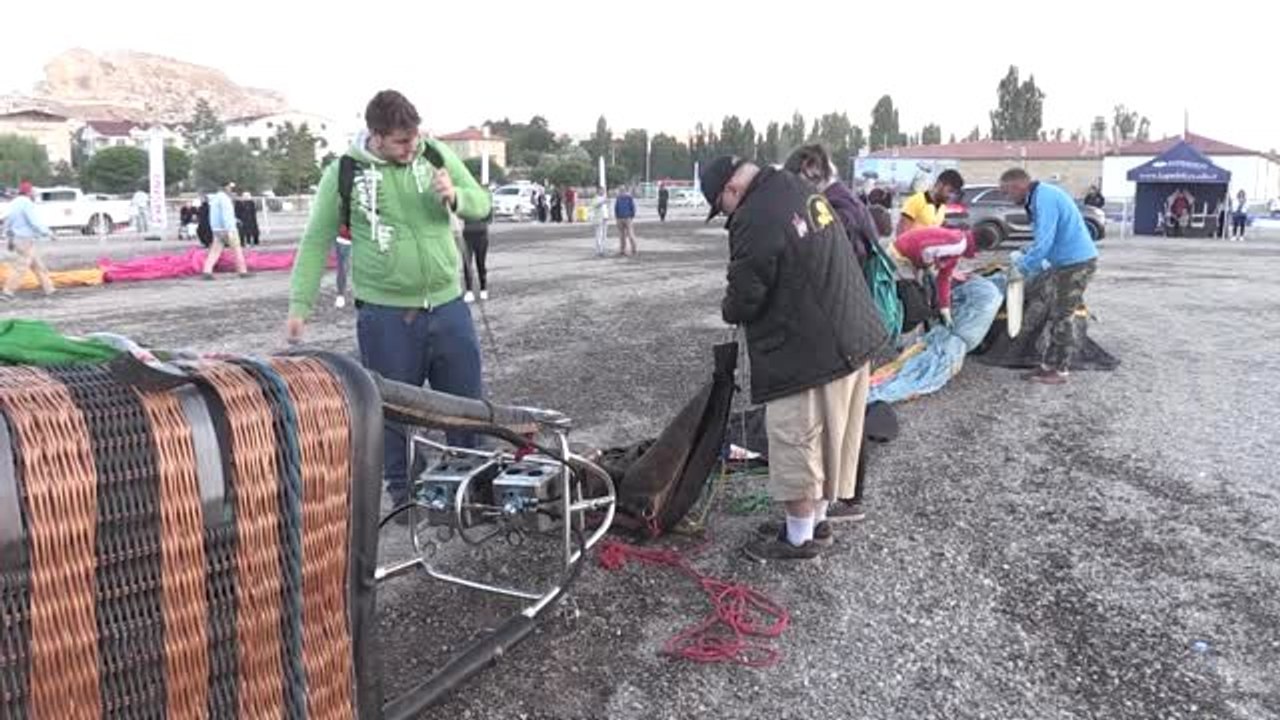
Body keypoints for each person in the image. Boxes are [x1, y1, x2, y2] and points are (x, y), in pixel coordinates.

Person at [286, 90, 491, 507]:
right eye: (401, 141)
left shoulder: (434, 155)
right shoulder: (343, 173)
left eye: (414, 137)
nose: (411, 147)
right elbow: (316, 241)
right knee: (394, 413)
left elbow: (481, 204)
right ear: (376, 136)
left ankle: (473, 487)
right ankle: (405, 494)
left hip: (449, 305)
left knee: (467, 405)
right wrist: (299, 307)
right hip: (386, 316)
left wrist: (456, 195)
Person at [701, 155, 887, 561]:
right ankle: (814, 523)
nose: (726, 215)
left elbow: (746, 293)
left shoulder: (756, 214)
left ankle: (798, 540)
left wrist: (729, 309)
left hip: (810, 351)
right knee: (831, 440)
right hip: (851, 336)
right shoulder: (794, 186)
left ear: (731, 190)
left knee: (797, 442)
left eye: (721, 207)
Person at [999, 168, 1099, 385]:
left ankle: (1060, 370)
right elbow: (1043, 240)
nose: (1007, 198)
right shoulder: (1038, 197)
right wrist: (1028, 251)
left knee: (1063, 316)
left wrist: (1022, 268)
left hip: (1076, 264)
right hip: (1065, 263)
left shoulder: (1044, 198)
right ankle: (1048, 365)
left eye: (1007, 192)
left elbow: (1045, 241)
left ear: (1018, 186)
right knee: (1055, 312)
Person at [784, 144, 880, 267]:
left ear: (811, 169)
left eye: (796, 183)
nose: (795, 193)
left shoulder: (835, 211)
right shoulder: (848, 202)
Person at [890, 226, 978, 327]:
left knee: (925, 295)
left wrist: (945, 307)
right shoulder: (959, 245)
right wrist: (926, 265)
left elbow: (944, 278)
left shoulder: (958, 247)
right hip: (901, 256)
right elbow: (926, 249)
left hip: (911, 260)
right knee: (913, 308)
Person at [1, 181, 55, 301]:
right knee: (20, 267)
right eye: (33, 192)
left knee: (37, 265)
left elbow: (6, 221)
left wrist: (9, 237)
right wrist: (48, 233)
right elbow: (34, 222)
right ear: (28, 192)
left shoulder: (13, 203)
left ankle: (49, 288)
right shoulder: (27, 203)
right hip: (25, 239)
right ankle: (8, 292)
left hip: (17, 238)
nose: (34, 194)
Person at [201, 181, 249, 279]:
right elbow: (226, 215)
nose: (231, 189)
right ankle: (243, 271)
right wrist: (230, 229)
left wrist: (215, 228)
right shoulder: (225, 199)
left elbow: (214, 216)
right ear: (226, 187)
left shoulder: (214, 199)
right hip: (228, 229)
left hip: (217, 230)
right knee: (237, 250)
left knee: (214, 252)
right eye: (230, 187)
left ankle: (207, 271)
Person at [897, 169, 964, 236]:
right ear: (939, 184)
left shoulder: (942, 207)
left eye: (954, 193)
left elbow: (935, 229)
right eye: (950, 191)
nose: (951, 196)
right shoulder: (917, 200)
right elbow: (902, 233)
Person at [462, 206, 492, 302]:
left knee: (481, 263)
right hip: (467, 236)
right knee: (467, 264)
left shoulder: (484, 201)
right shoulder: (464, 202)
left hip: (481, 235)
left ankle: (483, 288)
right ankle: (469, 290)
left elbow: (489, 217)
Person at [614, 186, 637, 256]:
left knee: (630, 234)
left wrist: (631, 216)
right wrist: (617, 218)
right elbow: (616, 208)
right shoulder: (618, 198)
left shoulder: (629, 198)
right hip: (620, 218)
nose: (622, 191)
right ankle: (622, 250)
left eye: (623, 190)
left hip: (628, 218)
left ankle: (634, 249)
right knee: (622, 236)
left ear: (625, 190)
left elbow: (633, 207)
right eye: (621, 190)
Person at [592, 186, 609, 257]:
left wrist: (608, 215)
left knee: (604, 235)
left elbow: (606, 208)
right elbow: (594, 205)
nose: (602, 192)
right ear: (598, 191)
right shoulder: (595, 198)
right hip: (598, 219)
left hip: (605, 218)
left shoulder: (604, 198)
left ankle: (603, 250)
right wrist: (602, 202)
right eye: (601, 190)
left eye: (603, 190)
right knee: (599, 235)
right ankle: (598, 250)